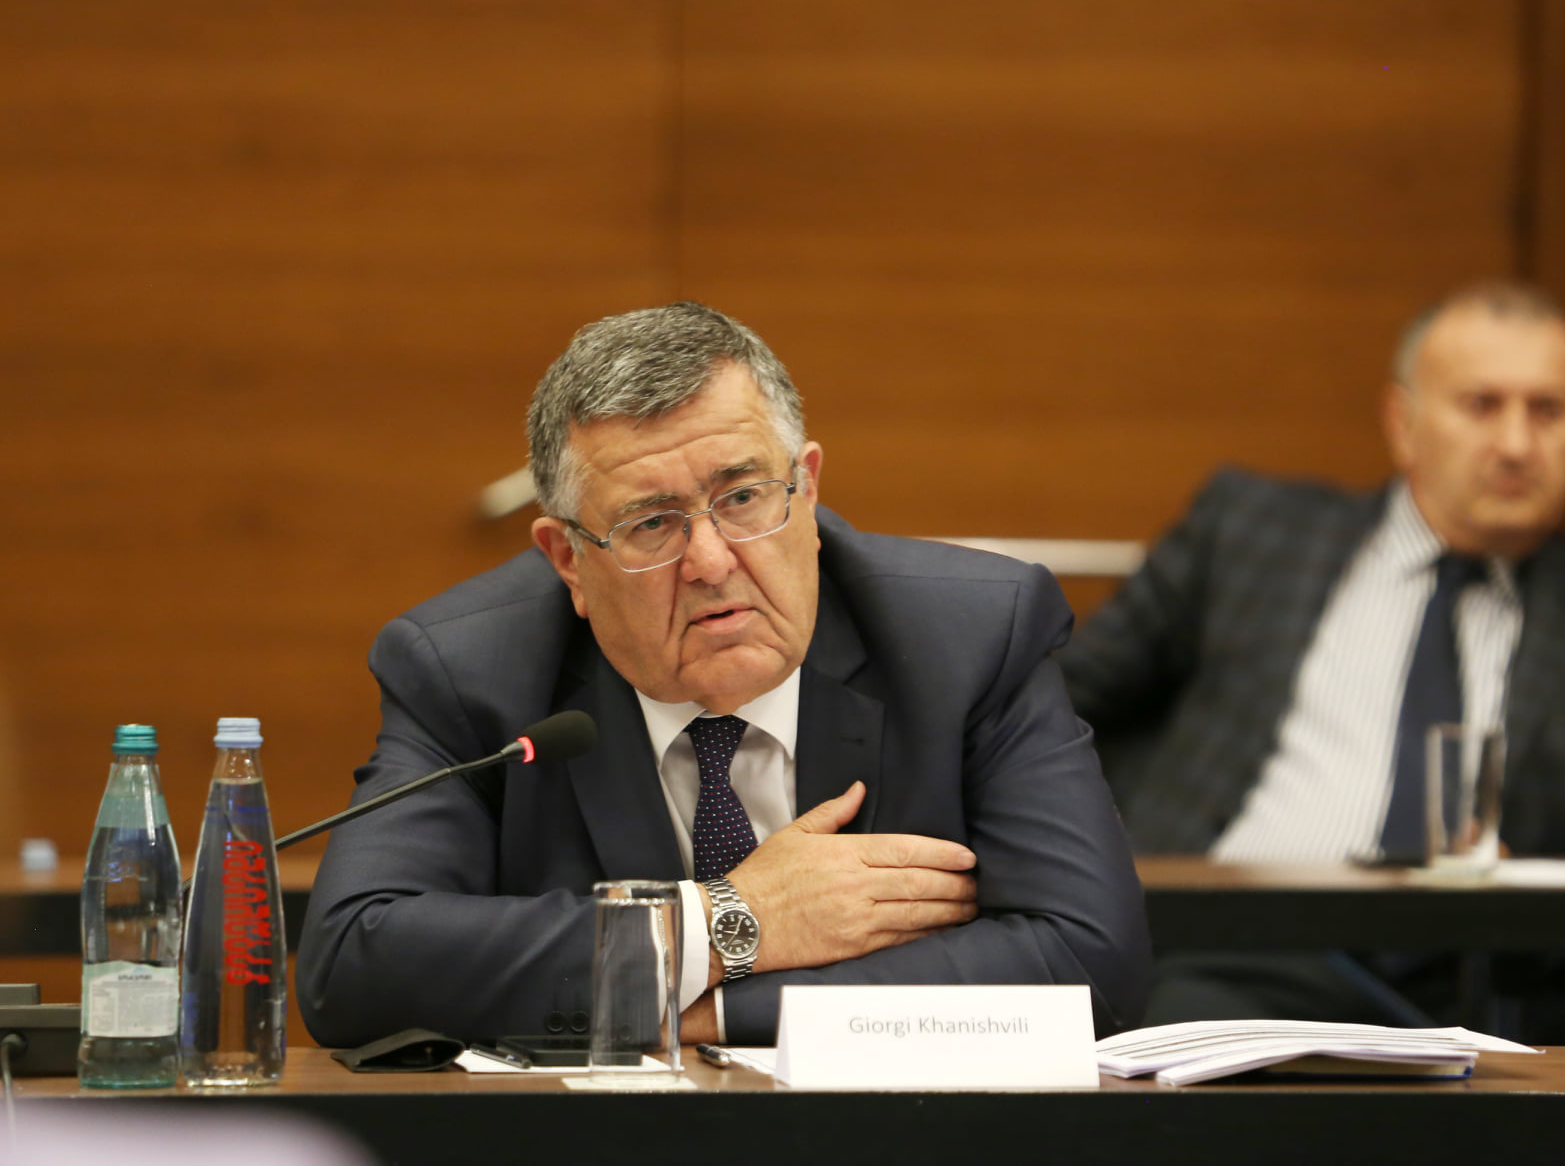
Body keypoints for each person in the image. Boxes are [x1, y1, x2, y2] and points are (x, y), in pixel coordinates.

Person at [297, 302, 1149, 1048]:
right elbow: (355, 964)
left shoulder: (970, 636)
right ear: (567, 560)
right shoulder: (467, 667)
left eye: (742, 499)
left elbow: (1091, 962)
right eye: (651, 524)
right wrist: (728, 921)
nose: (710, 562)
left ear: (807, 489)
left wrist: (710, 1009)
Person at [1059, 282, 1565, 1042]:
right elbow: (1056, 708)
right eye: (1482, 405)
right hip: (1238, 951)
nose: (1517, 444)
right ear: (1403, 423)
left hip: (1483, 976)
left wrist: (1529, 890)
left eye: (1548, 411)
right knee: (1194, 1045)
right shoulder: (1251, 533)